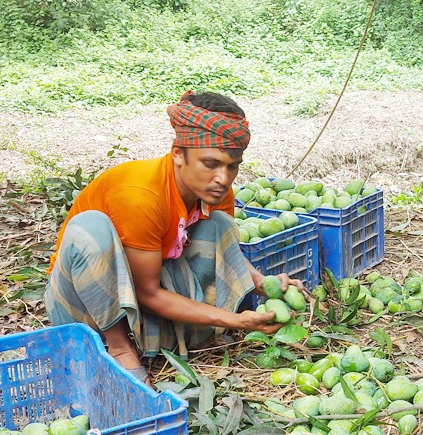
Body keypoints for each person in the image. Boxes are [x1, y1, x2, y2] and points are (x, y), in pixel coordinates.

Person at [45, 91, 301, 382]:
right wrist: (234, 320)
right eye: (210, 164)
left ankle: (177, 339)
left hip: (147, 294)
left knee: (219, 224)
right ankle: (118, 346)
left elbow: (227, 251)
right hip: (84, 303)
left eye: (232, 166)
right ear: (178, 153)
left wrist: (261, 285)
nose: (223, 178)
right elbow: (147, 292)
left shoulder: (215, 191)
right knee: (91, 228)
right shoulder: (141, 195)